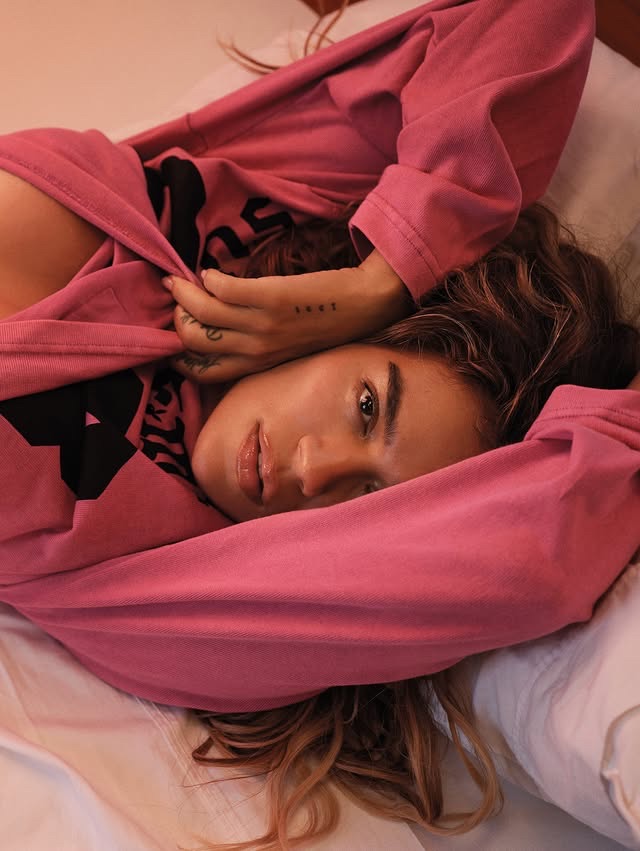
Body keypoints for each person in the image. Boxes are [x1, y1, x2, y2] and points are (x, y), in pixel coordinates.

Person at [1, 0, 639, 847]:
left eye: (367, 500)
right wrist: (384, 278)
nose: (314, 471)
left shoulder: (179, 599)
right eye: (366, 406)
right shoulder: (268, 200)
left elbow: (537, 549)